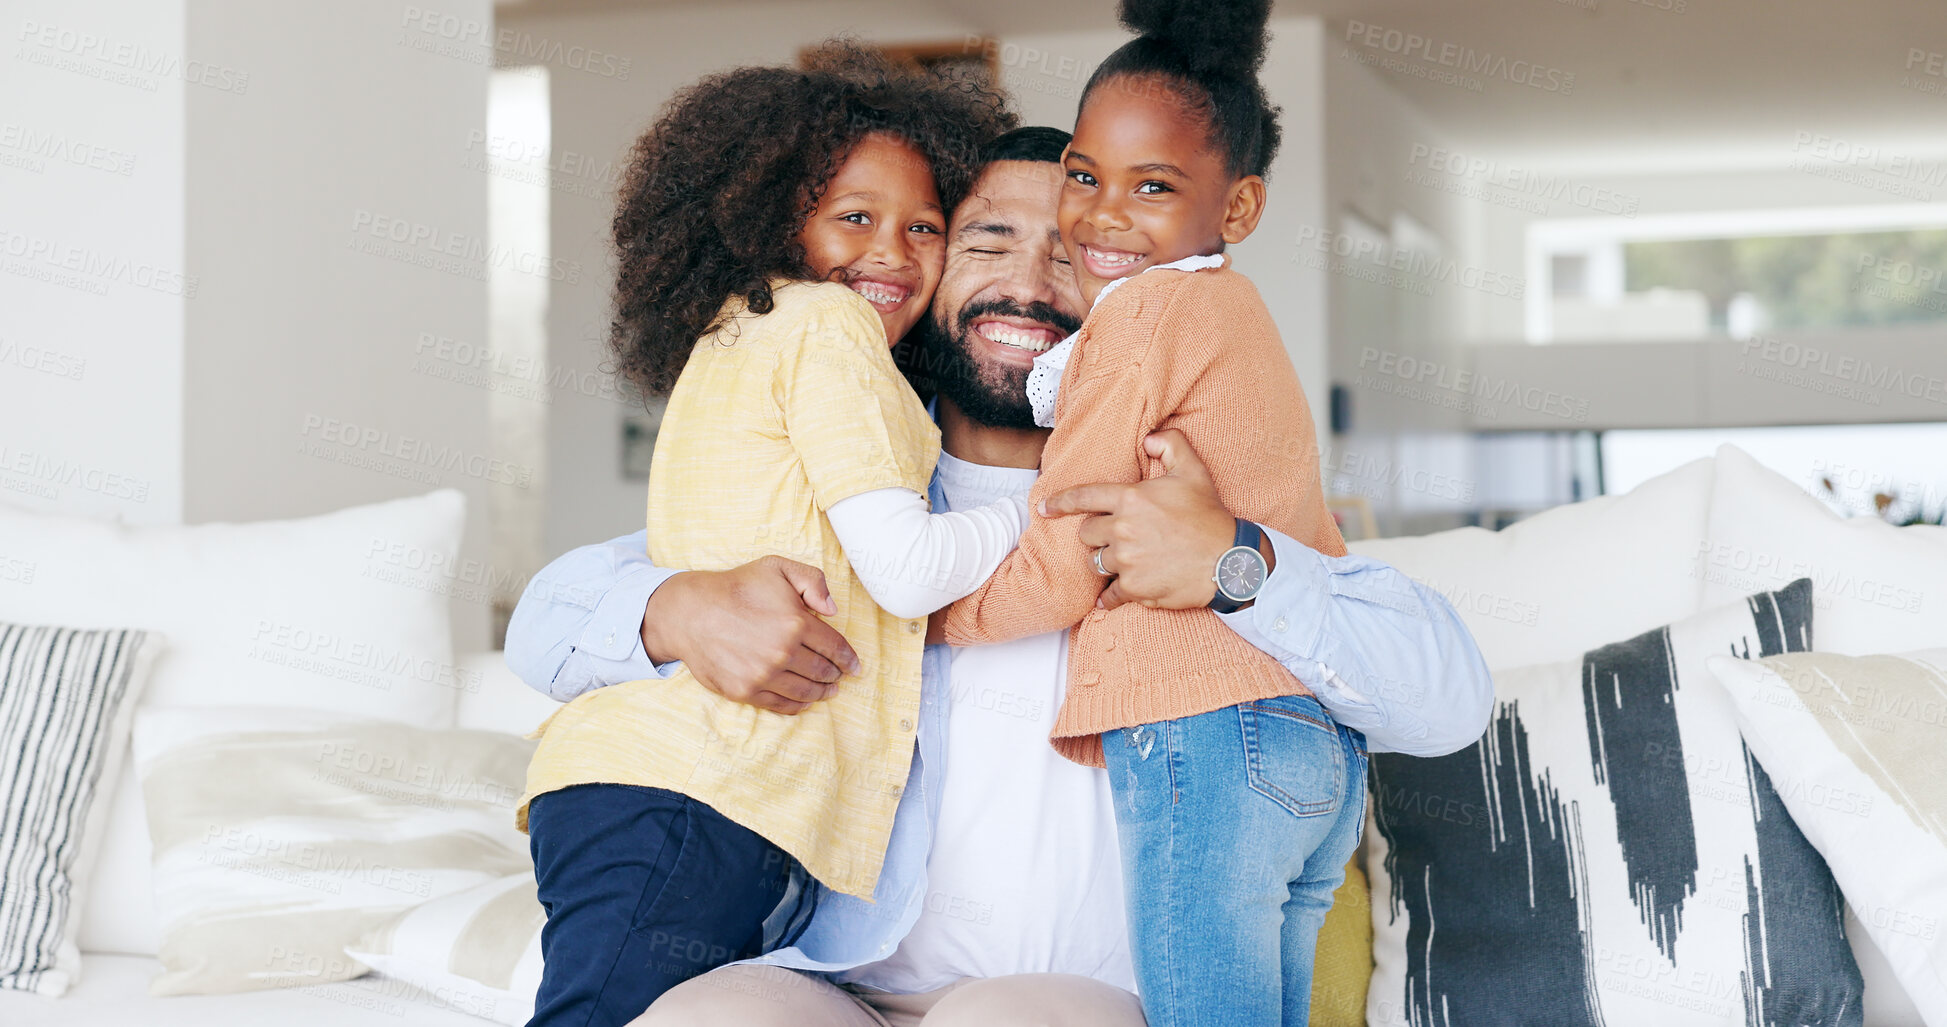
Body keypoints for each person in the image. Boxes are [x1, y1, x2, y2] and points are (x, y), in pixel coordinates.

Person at [505, 127, 1495, 1027]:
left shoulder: (1190, 489)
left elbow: (1446, 699)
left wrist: (1234, 562)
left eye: (1070, 254)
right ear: (922, 275)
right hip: (832, 984)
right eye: (984, 242)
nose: (1029, 282)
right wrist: (674, 610)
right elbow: (542, 626)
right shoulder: (849, 490)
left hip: (1073, 1003)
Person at [515, 46, 1023, 1027]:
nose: (896, 252)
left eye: (927, 226)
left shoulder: (744, 344)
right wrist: (1027, 514)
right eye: (856, 218)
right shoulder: (825, 330)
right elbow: (910, 572)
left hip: (686, 805)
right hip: (689, 795)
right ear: (772, 218)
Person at [932, 2, 1359, 1022]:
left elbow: (1074, 540)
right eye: (1087, 175)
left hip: (1204, 736)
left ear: (1241, 206)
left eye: (1152, 187)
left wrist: (932, 621)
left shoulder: (1141, 319)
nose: (1101, 218)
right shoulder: (1234, 314)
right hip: (1310, 743)